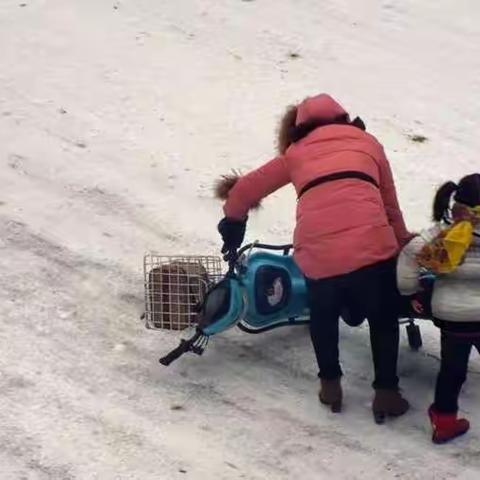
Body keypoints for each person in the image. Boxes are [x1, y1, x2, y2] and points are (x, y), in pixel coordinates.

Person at [215, 93, 412, 422]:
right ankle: (387, 393)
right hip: (372, 246)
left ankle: (330, 387)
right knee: (383, 318)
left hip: (320, 253)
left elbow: (244, 191)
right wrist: (403, 242)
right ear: (344, 118)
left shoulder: (296, 153)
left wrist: (232, 224)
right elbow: (389, 202)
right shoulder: (368, 143)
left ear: (299, 128)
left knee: (323, 314)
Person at [397, 174, 480, 443]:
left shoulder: (442, 232)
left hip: (452, 315)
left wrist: (410, 291)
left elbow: (410, 253)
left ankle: (444, 421)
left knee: (452, 370)